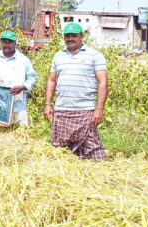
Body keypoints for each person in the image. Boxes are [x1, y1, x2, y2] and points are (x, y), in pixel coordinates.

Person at [43, 23, 108, 160]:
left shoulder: (94, 55)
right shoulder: (58, 56)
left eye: (74, 36)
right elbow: (51, 81)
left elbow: (103, 82)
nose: (70, 39)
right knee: (60, 153)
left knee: (94, 153)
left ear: (81, 37)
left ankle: (97, 176)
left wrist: (99, 109)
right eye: (67, 36)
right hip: (62, 110)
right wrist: (48, 104)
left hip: (85, 111)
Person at [0, 30, 37, 129]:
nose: (6, 45)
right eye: (4, 42)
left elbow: (32, 78)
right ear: (0, 43)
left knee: (20, 133)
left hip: (17, 105)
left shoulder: (23, 60)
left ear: (15, 43)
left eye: (9, 42)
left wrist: (23, 86)